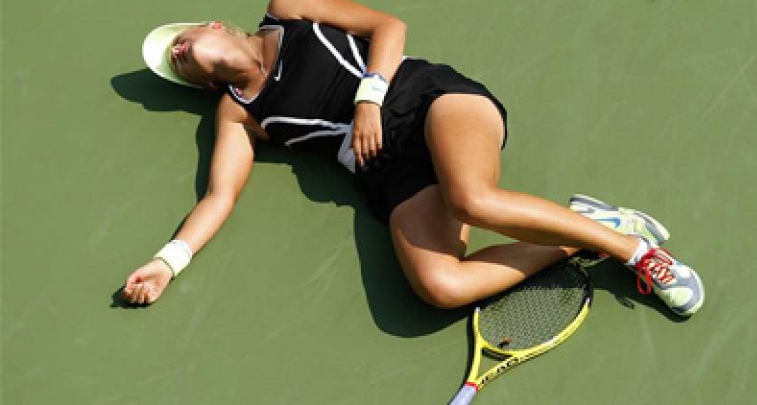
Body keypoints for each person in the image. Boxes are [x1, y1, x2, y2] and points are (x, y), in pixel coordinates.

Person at [124, 0, 704, 316]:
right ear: (204, 85)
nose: (178, 52)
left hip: (427, 102)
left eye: (178, 41)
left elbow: (388, 25)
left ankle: (637, 253)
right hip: (390, 173)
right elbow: (219, 196)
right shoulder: (237, 113)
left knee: (472, 200)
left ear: (214, 24)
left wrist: (369, 96)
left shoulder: (288, 10)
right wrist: (166, 263)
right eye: (176, 62)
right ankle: (591, 228)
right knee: (440, 287)